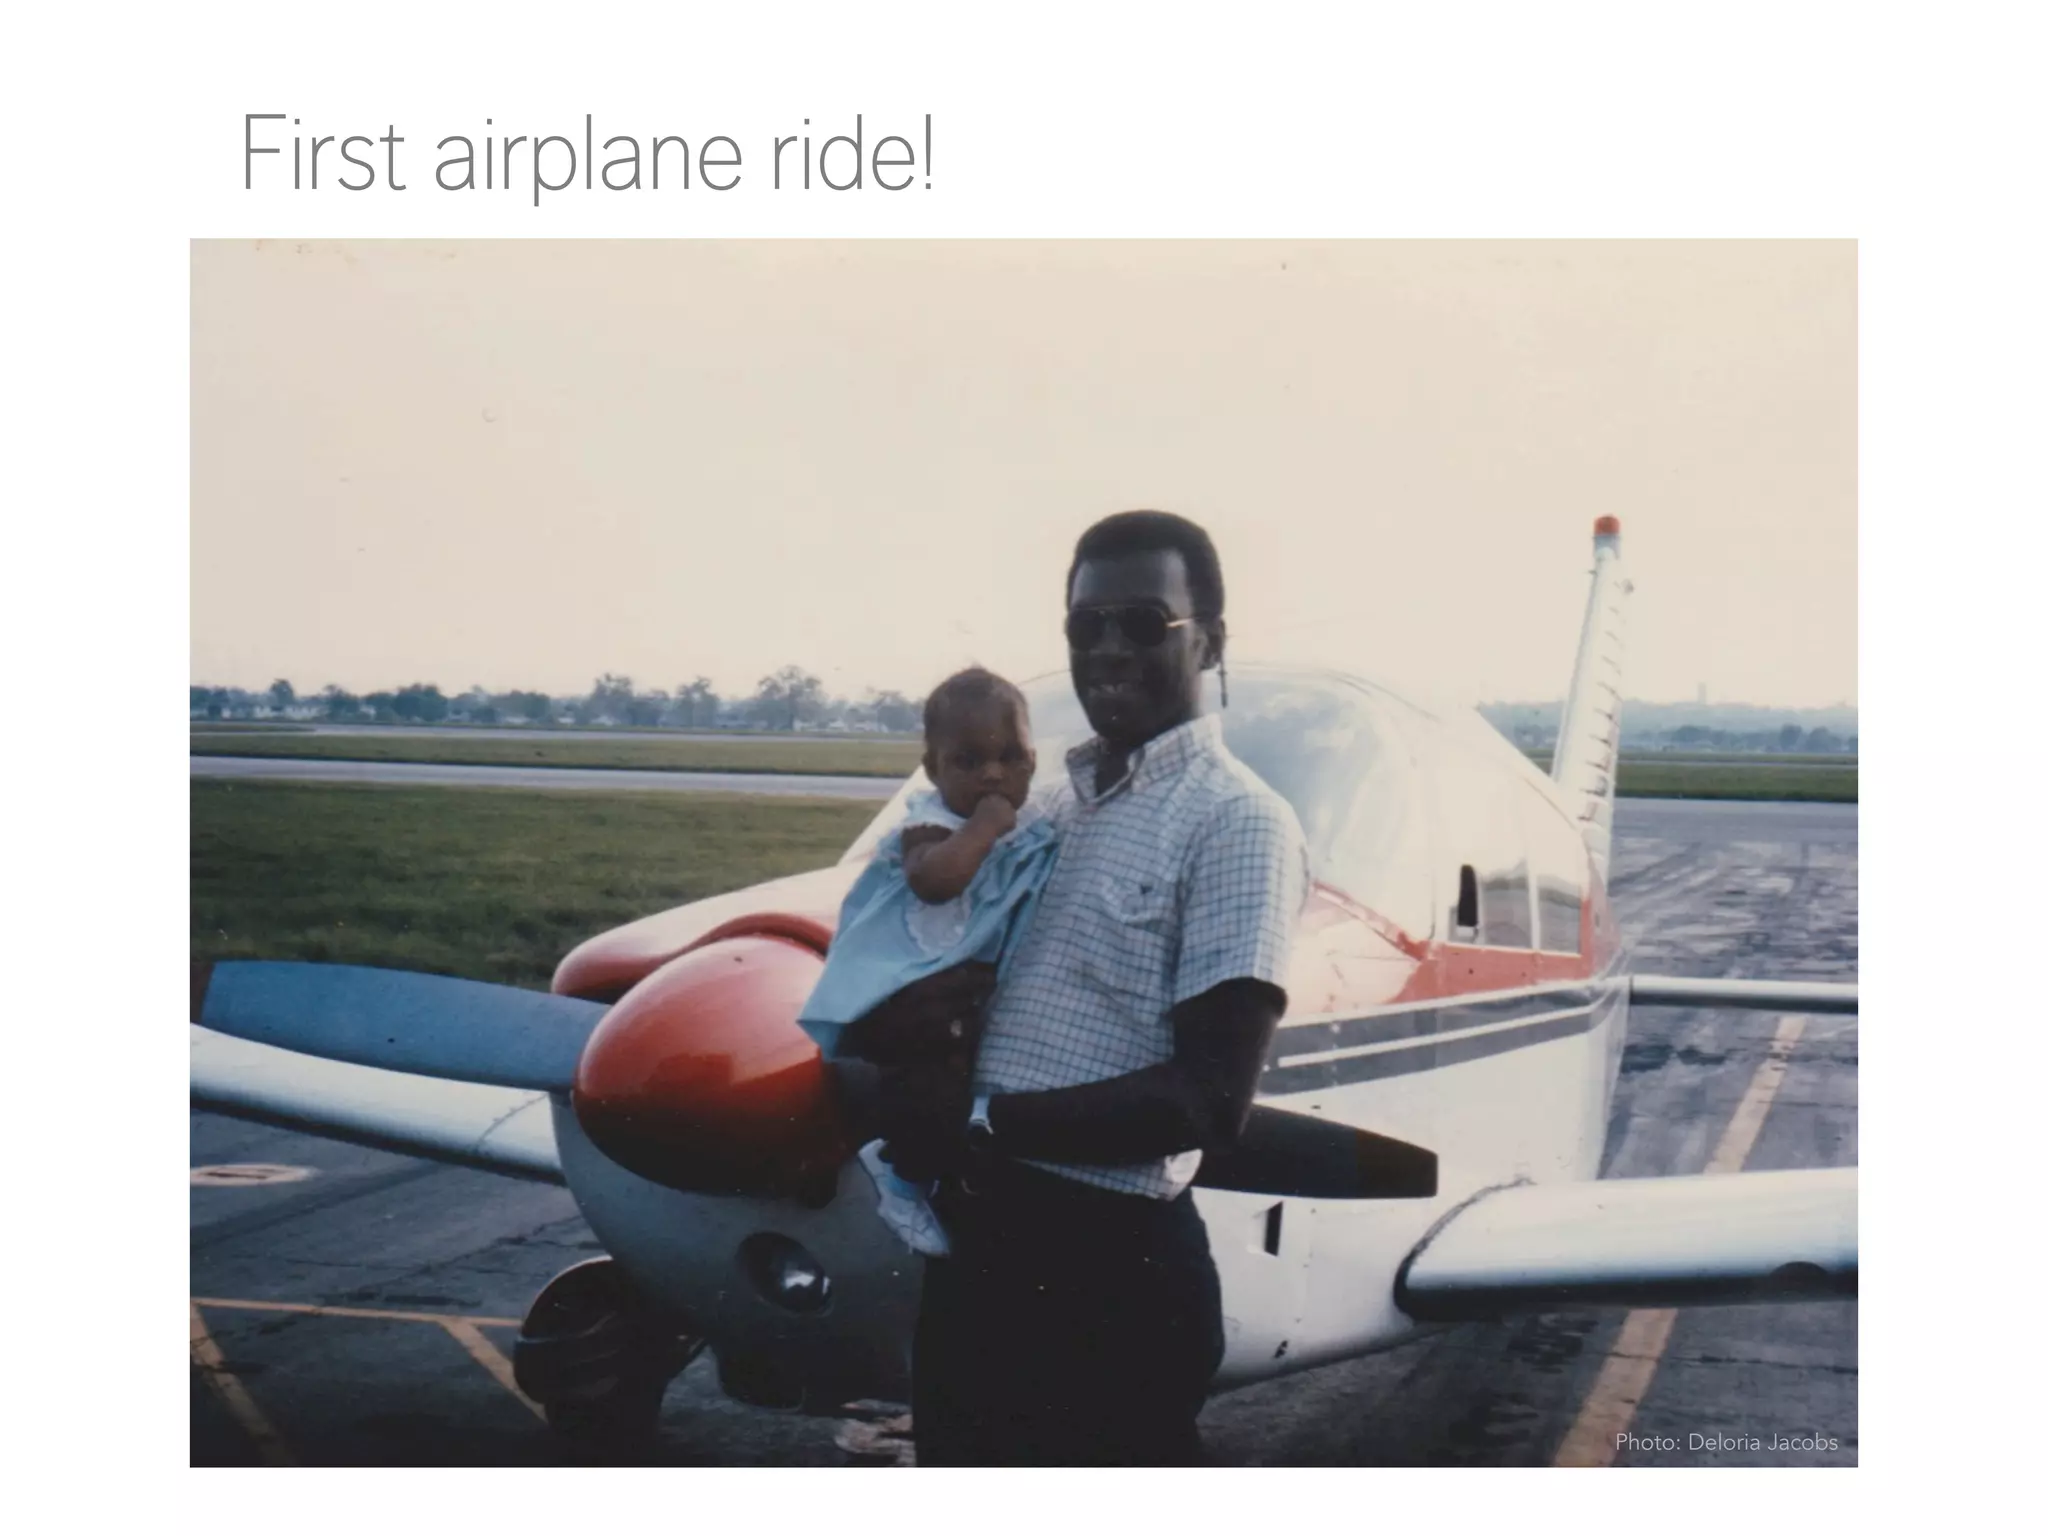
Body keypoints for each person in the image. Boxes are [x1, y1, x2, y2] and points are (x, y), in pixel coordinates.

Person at [845, 509, 1311, 1466]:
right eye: (1084, 626)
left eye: (1143, 622)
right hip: (981, 1250)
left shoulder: (1239, 823)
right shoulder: (1040, 808)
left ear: (1211, 641)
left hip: (1112, 1269)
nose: (1107, 649)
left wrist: (978, 1122)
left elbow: (1210, 1099)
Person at [798, 667, 1057, 1256]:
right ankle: (903, 1183)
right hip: (911, 983)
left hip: (961, 984)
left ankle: (908, 1153)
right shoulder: (930, 824)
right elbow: (936, 882)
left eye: (1010, 757)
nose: (993, 774)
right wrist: (987, 827)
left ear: (1034, 760)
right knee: (930, 1084)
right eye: (968, 761)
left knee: (956, 1085)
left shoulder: (1031, 821)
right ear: (934, 769)